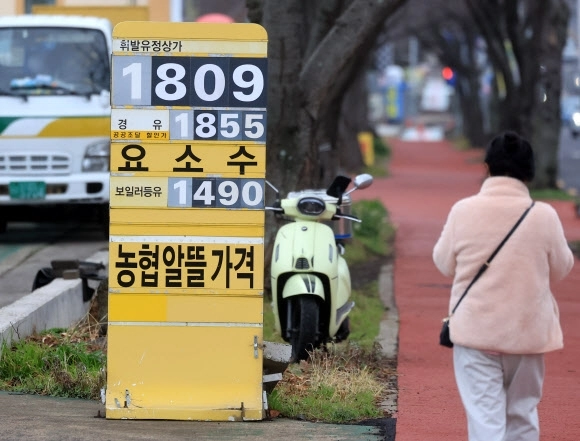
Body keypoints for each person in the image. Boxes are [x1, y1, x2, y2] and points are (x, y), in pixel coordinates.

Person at [432, 130, 574, 441]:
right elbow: (562, 268)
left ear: (487, 167)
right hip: (528, 334)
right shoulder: (544, 216)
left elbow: (443, 263)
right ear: (529, 173)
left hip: (476, 332)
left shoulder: (463, 211)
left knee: (485, 420)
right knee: (522, 415)